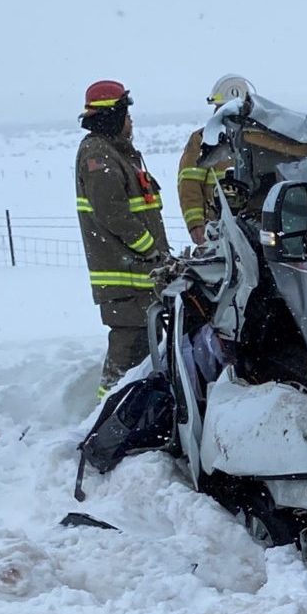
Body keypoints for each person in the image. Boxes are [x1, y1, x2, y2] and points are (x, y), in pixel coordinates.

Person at [74, 80, 170, 392]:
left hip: (140, 278)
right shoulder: (98, 156)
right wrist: (151, 250)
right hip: (126, 282)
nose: (131, 122)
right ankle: (105, 421)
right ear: (111, 116)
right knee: (125, 361)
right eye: (126, 114)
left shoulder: (117, 154)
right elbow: (113, 213)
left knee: (143, 356)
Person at [176, 74, 307, 244]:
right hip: (218, 226)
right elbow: (189, 185)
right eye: (219, 108)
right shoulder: (204, 139)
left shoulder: (261, 137)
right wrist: (195, 224)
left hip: (258, 225)